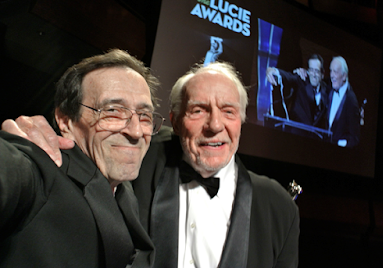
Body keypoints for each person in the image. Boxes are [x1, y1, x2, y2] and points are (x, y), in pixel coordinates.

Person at [3, 62, 300, 268]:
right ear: (175, 121)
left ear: (242, 120)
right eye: (198, 110)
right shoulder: (134, 159)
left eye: (228, 111)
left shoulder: (279, 204)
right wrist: (31, 138)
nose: (215, 125)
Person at [0, 49, 164, 267]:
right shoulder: (40, 168)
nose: (135, 132)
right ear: (66, 121)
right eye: (113, 111)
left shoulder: (124, 190)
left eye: (144, 116)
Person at [266, 54, 328, 135]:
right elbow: (287, 76)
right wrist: (271, 70)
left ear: (322, 74)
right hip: (296, 133)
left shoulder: (327, 89)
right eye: (311, 70)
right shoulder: (301, 80)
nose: (314, 74)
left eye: (317, 71)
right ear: (307, 70)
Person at [326, 56, 360, 147]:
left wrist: (337, 144)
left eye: (335, 72)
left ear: (344, 76)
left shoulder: (351, 101)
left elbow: (354, 139)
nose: (332, 75)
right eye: (331, 71)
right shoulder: (330, 89)